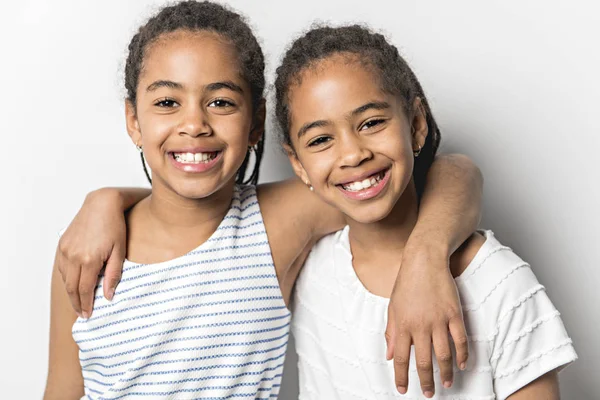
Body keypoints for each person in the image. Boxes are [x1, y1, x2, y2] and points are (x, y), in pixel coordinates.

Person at [45, 2, 483, 399]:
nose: (194, 123)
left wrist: (426, 257)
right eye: (166, 101)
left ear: (256, 124)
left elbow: (449, 170)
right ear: (133, 120)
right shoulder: (86, 252)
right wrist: (103, 201)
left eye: (219, 101)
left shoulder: (277, 221)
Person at [273, 24, 577, 399]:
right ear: (298, 164)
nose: (353, 154)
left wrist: (425, 258)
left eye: (371, 123)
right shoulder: (309, 271)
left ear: (416, 125)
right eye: (321, 140)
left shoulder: (499, 281)